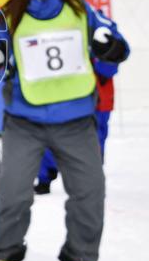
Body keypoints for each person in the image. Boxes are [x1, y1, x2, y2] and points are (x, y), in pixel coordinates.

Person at [0, 0, 129, 261]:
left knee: (90, 191)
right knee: (13, 191)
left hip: (76, 119)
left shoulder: (79, 8)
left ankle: (78, 259)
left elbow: (113, 41)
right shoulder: (9, 13)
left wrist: (113, 50)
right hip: (26, 120)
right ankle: (7, 252)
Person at [33, 59, 118, 195]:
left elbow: (111, 63)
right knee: (49, 134)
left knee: (94, 142)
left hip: (98, 101)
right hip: (63, 94)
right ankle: (45, 176)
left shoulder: (99, 40)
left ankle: (91, 179)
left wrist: (108, 55)